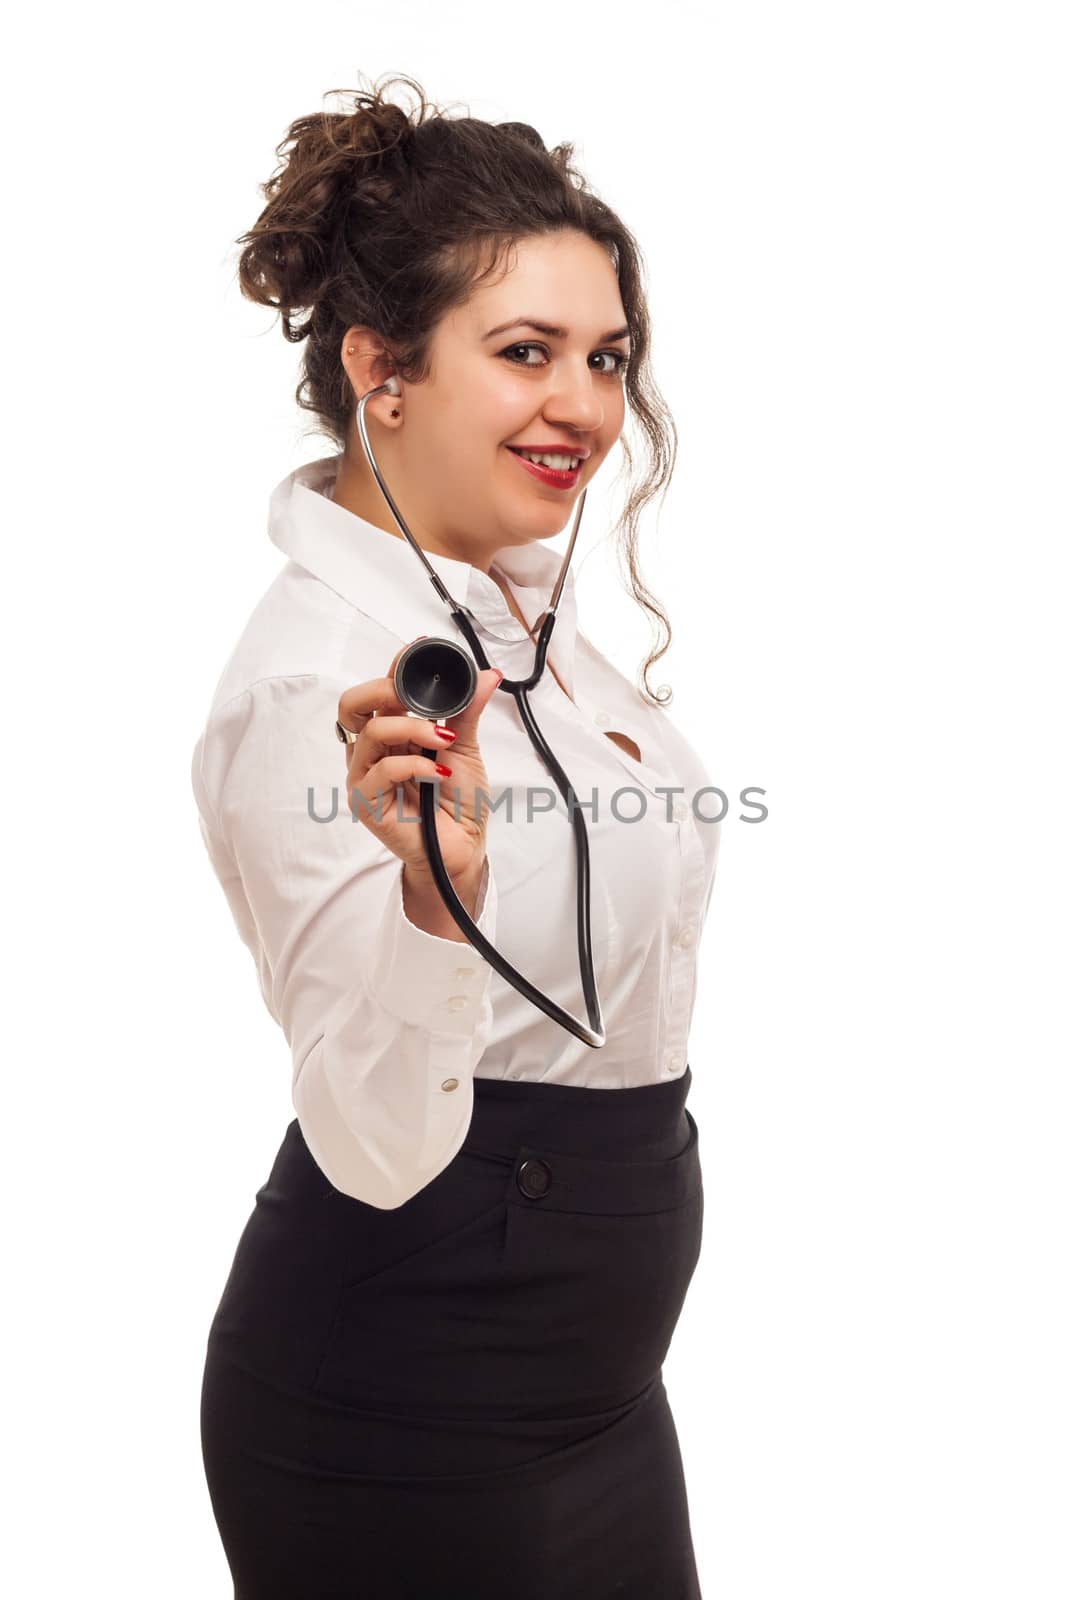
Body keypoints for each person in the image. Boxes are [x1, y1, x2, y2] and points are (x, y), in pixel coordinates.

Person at [191, 71, 721, 1599]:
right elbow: (373, 1140)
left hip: (604, 1390)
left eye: (606, 356)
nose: (586, 406)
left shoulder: (520, 619)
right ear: (384, 371)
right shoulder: (311, 681)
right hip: (404, 1397)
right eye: (524, 352)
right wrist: (435, 911)